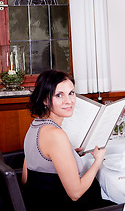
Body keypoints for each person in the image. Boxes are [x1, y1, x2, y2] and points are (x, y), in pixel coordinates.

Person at [21, 69, 114, 210]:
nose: (69, 101)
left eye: (71, 93)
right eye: (59, 95)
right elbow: (75, 194)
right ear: (45, 100)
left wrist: (68, 154)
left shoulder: (34, 126)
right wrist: (97, 161)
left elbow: (25, 179)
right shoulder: (55, 135)